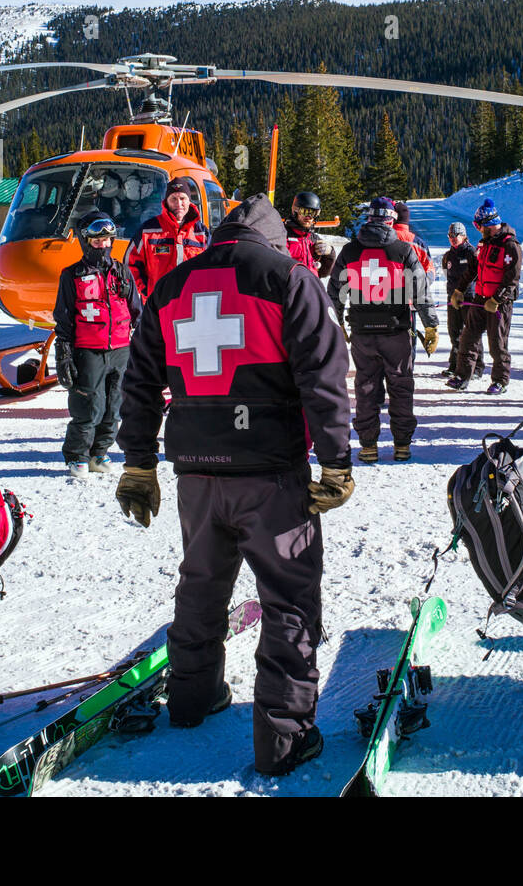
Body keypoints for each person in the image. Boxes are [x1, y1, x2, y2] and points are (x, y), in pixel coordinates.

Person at [115, 194, 354, 777]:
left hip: (196, 468)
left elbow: (139, 380)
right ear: (270, 238)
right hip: (270, 471)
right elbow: (324, 375)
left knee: (200, 584)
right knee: (288, 597)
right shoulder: (288, 277)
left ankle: (193, 699)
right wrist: (337, 461)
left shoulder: (172, 285)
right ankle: (283, 737)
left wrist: (139, 462)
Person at [329, 197, 439, 463]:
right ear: (391, 220)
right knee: (401, 386)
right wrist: (430, 325)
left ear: (369, 219)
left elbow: (334, 291)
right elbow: (421, 292)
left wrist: (340, 322)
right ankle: (402, 445)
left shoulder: (349, 252)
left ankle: (368, 446)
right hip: (397, 331)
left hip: (362, 334)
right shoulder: (403, 251)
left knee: (365, 387)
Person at [54, 214, 141, 478]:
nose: (102, 245)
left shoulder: (122, 273)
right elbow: (64, 318)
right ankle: (77, 456)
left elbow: (136, 311)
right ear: (86, 241)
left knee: (114, 405)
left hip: (120, 350)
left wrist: (142, 347)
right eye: (96, 240)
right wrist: (65, 354)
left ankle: (100, 452)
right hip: (89, 350)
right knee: (89, 405)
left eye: (106, 240)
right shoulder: (72, 275)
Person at [448, 199, 520, 395]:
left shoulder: (510, 245)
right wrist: (459, 290)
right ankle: (462, 376)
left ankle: (500, 380)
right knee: (468, 338)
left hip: (499, 303)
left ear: (489, 224)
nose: (478, 230)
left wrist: (496, 299)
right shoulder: (483, 244)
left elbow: (512, 278)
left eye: (479, 226)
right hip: (480, 298)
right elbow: (473, 269)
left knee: (497, 343)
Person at [126, 176, 209, 301]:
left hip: (192, 302)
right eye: (173, 199)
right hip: (158, 304)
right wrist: (146, 291)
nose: (179, 204)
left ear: (189, 201)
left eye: (182, 198)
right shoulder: (149, 230)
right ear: (166, 201)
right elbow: (130, 264)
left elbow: (213, 266)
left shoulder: (201, 233)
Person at [440, 222, 480, 380]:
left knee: (471, 333)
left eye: (455, 236)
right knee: (454, 332)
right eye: (450, 236)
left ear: (463, 236)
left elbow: (477, 275)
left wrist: (464, 291)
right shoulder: (448, 255)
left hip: (469, 298)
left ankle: (476, 366)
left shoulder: (471, 253)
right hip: (452, 298)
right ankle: (455, 364)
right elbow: (446, 274)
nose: (452, 239)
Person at [283, 190, 336, 277]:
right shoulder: (283, 235)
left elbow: (324, 273)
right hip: (289, 287)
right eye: (305, 211)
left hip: (311, 287)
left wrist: (330, 253)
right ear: (295, 211)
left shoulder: (314, 239)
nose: (309, 217)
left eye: (313, 213)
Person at [392, 201, 432, 276]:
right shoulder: (418, 243)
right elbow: (430, 270)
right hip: (413, 286)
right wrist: (422, 285)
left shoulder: (384, 238)